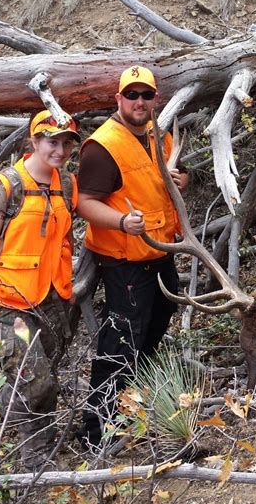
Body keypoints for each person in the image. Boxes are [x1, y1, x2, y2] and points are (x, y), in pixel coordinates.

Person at [77, 65, 188, 445]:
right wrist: (123, 222)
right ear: (118, 99)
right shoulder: (103, 146)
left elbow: (178, 176)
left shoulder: (160, 135)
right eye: (132, 95)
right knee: (122, 339)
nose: (139, 102)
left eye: (146, 95)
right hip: (125, 259)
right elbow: (85, 203)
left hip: (161, 251)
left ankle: (131, 402)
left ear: (156, 99)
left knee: (158, 319)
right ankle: (97, 430)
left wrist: (183, 181)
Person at [0, 110, 80, 470]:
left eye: (66, 142)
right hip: (10, 302)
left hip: (52, 299)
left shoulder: (67, 185)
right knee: (36, 383)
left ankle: (37, 458)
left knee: (44, 382)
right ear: (34, 141)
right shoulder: (4, 186)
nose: (59, 149)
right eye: (51, 141)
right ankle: (11, 441)